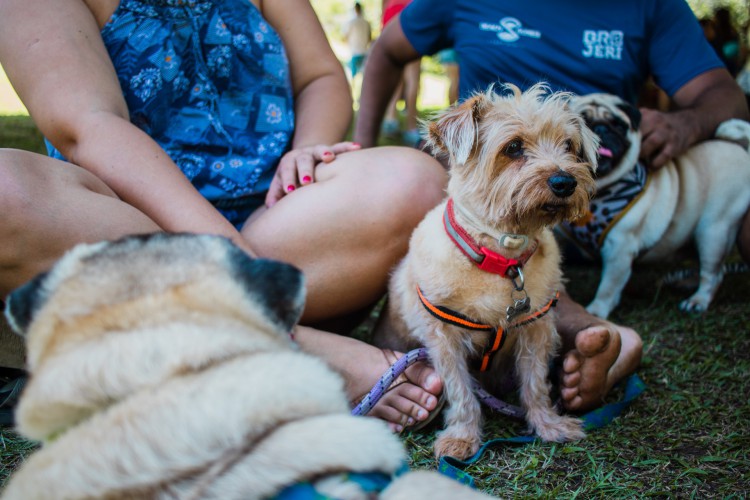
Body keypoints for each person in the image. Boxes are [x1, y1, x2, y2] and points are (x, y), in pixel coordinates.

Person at [0, 0, 448, 433]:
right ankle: (289, 347)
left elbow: (320, 75)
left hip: (273, 229)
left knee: (417, 182)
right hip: (129, 245)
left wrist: (307, 149)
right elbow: (87, 127)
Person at [355, 0, 750, 412]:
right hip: (481, 204)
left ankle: (587, 342)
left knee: (533, 282)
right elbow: (387, 49)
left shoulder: (650, 5)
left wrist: (687, 123)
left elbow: (723, 95)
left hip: (607, 209)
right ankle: (590, 338)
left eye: (566, 146)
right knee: (459, 248)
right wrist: (362, 153)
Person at [379, 0, 422, 145]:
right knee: (413, 78)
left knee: (395, 73)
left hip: (391, 16)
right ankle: (411, 128)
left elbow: (384, 5)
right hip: (411, 14)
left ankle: (391, 120)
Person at [343, 2, 372, 82]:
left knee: (353, 77)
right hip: (364, 51)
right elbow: (370, 38)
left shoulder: (351, 22)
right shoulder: (366, 23)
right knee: (363, 76)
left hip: (354, 51)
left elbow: (345, 37)